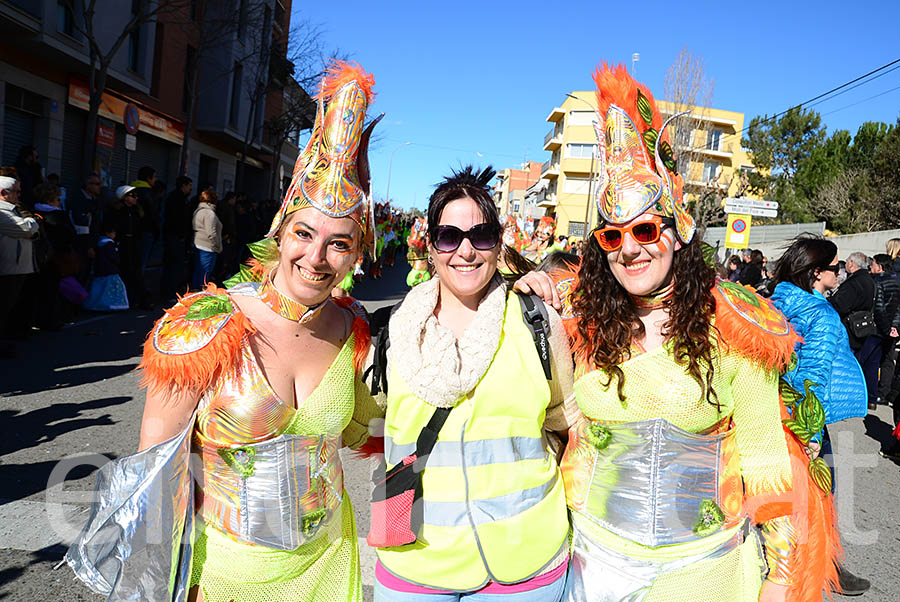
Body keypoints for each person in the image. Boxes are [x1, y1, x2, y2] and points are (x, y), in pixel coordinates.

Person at [67, 60, 385, 602]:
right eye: (304, 233)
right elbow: (154, 471)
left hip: (329, 567)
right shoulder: (208, 324)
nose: (316, 256)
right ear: (280, 235)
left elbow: (371, 431)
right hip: (221, 579)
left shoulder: (352, 327)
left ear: (357, 252)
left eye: (339, 242)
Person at [545, 64, 839, 602]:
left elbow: (764, 455)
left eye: (645, 229)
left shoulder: (731, 324)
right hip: (587, 566)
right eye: (612, 236)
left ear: (677, 230)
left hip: (701, 574)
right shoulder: (578, 320)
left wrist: (781, 578)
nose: (629, 248)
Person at [372, 166, 576, 601]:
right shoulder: (394, 330)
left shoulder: (536, 320)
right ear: (430, 247)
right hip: (414, 563)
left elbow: (567, 421)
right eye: (449, 237)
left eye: (480, 235)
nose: (465, 251)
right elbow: (363, 423)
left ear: (498, 244)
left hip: (525, 568)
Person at [768, 237, 870, 596]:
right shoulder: (821, 315)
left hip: (770, 411)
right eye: (834, 268)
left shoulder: (776, 301)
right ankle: (821, 570)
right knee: (819, 497)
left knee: (773, 495)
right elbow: (814, 376)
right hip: (804, 417)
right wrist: (811, 433)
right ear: (816, 273)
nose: (839, 273)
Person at [829, 252, 879, 410]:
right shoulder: (869, 280)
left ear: (852, 264)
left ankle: (843, 401)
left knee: (843, 365)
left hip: (849, 328)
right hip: (862, 328)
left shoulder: (854, 282)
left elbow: (840, 305)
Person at [0, 171, 38, 358]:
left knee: (10, 306)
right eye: (15, 191)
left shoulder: (13, 209)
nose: (19, 195)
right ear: (3, 192)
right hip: (8, 267)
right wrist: (32, 220)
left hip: (18, 266)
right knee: (3, 306)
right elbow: (26, 228)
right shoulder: (3, 212)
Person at [107, 184, 148, 308]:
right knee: (123, 271)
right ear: (124, 197)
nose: (135, 198)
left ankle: (137, 298)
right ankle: (124, 298)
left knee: (136, 271)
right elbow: (111, 227)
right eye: (132, 195)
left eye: (136, 195)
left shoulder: (136, 211)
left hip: (134, 243)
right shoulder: (117, 211)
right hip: (122, 244)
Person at [870, 254, 900, 407]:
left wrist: (887, 328)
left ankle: (872, 393)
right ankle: (884, 393)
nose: (870, 267)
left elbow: (879, 308)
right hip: (892, 329)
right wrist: (895, 327)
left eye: (873, 264)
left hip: (878, 328)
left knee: (872, 360)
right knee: (888, 361)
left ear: (879, 266)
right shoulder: (896, 282)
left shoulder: (877, 282)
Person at [83, 217, 129, 311]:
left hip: (99, 271)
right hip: (110, 271)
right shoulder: (109, 245)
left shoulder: (99, 245)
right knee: (111, 290)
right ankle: (112, 305)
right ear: (108, 233)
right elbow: (114, 258)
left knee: (98, 290)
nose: (115, 235)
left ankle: (95, 304)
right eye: (113, 233)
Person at [161, 175, 193, 301]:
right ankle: (170, 293)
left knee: (171, 265)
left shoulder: (177, 198)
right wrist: (181, 235)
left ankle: (167, 292)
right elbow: (177, 219)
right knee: (174, 265)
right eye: (189, 185)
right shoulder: (178, 199)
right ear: (183, 185)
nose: (191, 188)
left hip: (173, 236)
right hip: (175, 237)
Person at [191, 188, 222, 289]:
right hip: (208, 246)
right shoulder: (209, 213)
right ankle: (201, 295)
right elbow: (211, 233)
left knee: (197, 272)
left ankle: (194, 294)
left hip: (198, 243)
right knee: (205, 275)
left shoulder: (198, 210)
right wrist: (218, 246)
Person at [131, 165, 159, 272]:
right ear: (148, 178)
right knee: (141, 262)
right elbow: (154, 214)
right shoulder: (150, 193)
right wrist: (156, 232)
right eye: (154, 177)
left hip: (130, 230)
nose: (155, 180)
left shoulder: (131, 189)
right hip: (146, 231)